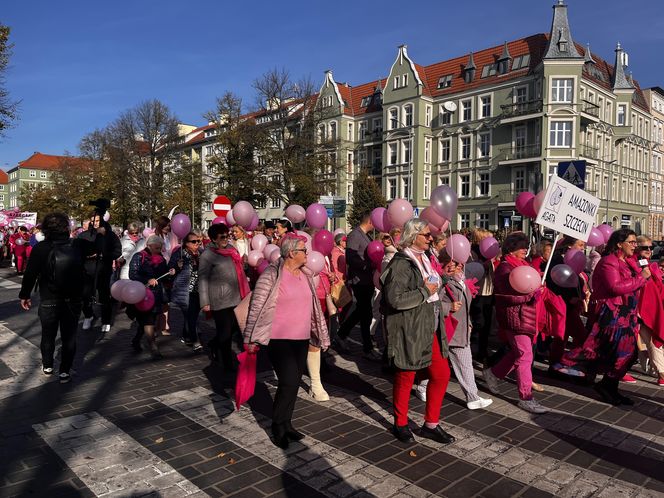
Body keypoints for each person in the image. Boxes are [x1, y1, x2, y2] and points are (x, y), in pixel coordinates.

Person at [244, 233, 330, 449]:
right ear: (292, 253)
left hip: (301, 338)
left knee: (291, 384)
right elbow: (256, 308)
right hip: (278, 338)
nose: (307, 253)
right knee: (289, 382)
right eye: (304, 250)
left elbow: (314, 308)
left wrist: (319, 332)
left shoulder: (306, 274)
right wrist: (250, 338)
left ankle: (287, 423)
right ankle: (277, 426)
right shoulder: (271, 275)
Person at [381, 219, 454, 444]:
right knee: (406, 375)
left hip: (430, 326)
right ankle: (400, 423)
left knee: (441, 375)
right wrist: (424, 291)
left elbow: (431, 286)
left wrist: (444, 277)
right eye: (426, 235)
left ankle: (431, 424)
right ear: (413, 237)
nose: (431, 238)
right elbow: (394, 300)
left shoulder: (425, 258)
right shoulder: (401, 264)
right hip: (409, 327)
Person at [561, 229, 649, 405]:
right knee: (617, 352)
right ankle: (602, 383)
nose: (635, 246)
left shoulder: (630, 262)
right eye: (631, 242)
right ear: (619, 244)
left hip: (627, 314)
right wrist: (641, 278)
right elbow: (614, 287)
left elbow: (644, 275)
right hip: (613, 314)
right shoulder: (609, 262)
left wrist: (644, 263)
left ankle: (609, 386)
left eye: (636, 243)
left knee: (628, 355)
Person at [483, 232, 549, 414]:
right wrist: (531, 294)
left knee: (517, 353)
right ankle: (525, 397)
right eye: (520, 247)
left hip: (526, 315)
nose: (524, 250)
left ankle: (493, 373)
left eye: (525, 247)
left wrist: (538, 287)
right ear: (510, 249)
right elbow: (505, 297)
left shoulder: (523, 265)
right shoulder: (505, 268)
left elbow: (528, 284)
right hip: (515, 317)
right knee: (525, 355)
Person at [19, 212, 87, 383]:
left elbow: (30, 274)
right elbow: (102, 247)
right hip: (73, 299)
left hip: (49, 298)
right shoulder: (77, 245)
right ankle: (64, 371)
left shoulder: (41, 248)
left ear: (46, 228)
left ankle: (48, 365)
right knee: (69, 337)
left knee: (48, 335)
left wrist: (25, 295)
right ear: (67, 227)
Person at [439, 252, 493, 410]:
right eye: (456, 262)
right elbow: (431, 302)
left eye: (461, 262)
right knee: (442, 364)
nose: (460, 265)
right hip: (448, 327)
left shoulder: (462, 279)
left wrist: (469, 322)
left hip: (461, 329)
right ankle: (472, 397)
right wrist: (449, 307)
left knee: (464, 364)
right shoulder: (444, 280)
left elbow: (467, 306)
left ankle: (472, 397)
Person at [199, 223, 250, 370]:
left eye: (227, 236)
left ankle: (215, 344)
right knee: (225, 332)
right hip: (219, 299)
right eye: (222, 237)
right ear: (213, 238)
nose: (226, 239)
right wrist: (205, 302)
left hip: (237, 296)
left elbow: (239, 269)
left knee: (236, 328)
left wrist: (244, 265)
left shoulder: (231, 250)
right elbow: (202, 279)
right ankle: (227, 362)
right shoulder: (208, 255)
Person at [336, 212, 379, 359]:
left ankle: (341, 334)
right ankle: (367, 348)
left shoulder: (366, 236)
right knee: (365, 313)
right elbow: (351, 257)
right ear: (370, 222)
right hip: (359, 280)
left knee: (362, 312)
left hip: (367, 280)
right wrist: (368, 265)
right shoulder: (355, 235)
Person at [546, 236, 589, 372]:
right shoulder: (557, 260)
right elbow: (554, 282)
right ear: (570, 246)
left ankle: (556, 362)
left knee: (562, 335)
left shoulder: (575, 259)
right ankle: (564, 361)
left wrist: (581, 294)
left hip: (572, 305)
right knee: (580, 335)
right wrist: (569, 297)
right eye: (580, 244)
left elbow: (576, 279)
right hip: (562, 304)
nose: (583, 248)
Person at [128, 235, 175, 358]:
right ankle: (153, 347)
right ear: (149, 246)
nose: (159, 250)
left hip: (157, 295)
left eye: (160, 248)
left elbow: (164, 275)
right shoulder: (139, 257)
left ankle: (136, 340)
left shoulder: (161, 259)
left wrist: (171, 272)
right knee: (148, 320)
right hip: (142, 294)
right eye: (157, 248)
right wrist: (147, 279)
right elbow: (133, 274)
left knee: (149, 320)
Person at [78, 205, 122, 333]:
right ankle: (88, 315)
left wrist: (104, 255)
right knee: (84, 296)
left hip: (103, 270)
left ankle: (106, 320)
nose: (95, 223)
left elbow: (117, 251)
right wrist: (86, 256)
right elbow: (76, 251)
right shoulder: (83, 235)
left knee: (104, 297)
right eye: (93, 221)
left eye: (97, 221)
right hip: (87, 271)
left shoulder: (110, 235)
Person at [634, 236, 664, 386]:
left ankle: (656, 368)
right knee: (653, 341)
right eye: (645, 247)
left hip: (653, 309)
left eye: (650, 248)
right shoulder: (633, 263)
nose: (649, 250)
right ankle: (661, 372)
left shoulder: (649, 265)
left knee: (651, 342)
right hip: (639, 310)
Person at [169, 232, 203, 351]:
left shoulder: (201, 252)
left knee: (193, 314)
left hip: (198, 289)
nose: (197, 244)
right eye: (194, 241)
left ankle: (186, 335)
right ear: (186, 243)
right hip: (185, 289)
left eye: (198, 241)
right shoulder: (180, 254)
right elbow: (171, 268)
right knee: (190, 315)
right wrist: (177, 267)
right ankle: (195, 341)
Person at [469, 229, 496, 364]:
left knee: (487, 324)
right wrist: (482, 265)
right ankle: (474, 350)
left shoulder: (489, 255)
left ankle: (483, 350)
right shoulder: (473, 253)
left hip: (489, 292)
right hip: (478, 292)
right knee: (478, 323)